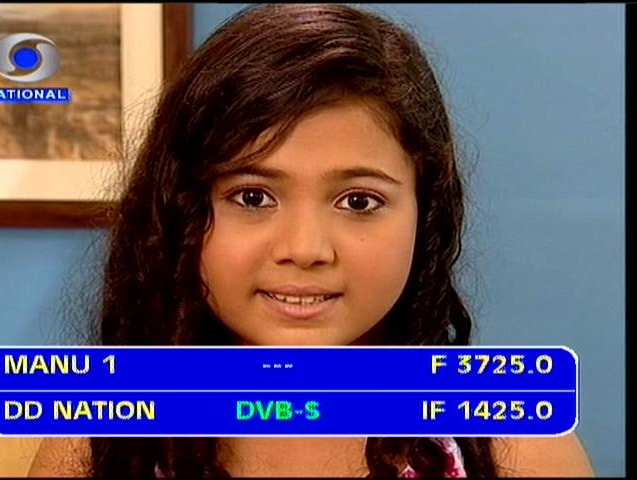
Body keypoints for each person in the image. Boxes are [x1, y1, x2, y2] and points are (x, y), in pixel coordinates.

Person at [29, 4, 594, 478]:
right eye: (253, 197)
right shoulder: (99, 446)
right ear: (179, 210)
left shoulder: (514, 447)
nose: (304, 249)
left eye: (359, 202)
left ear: (427, 216)